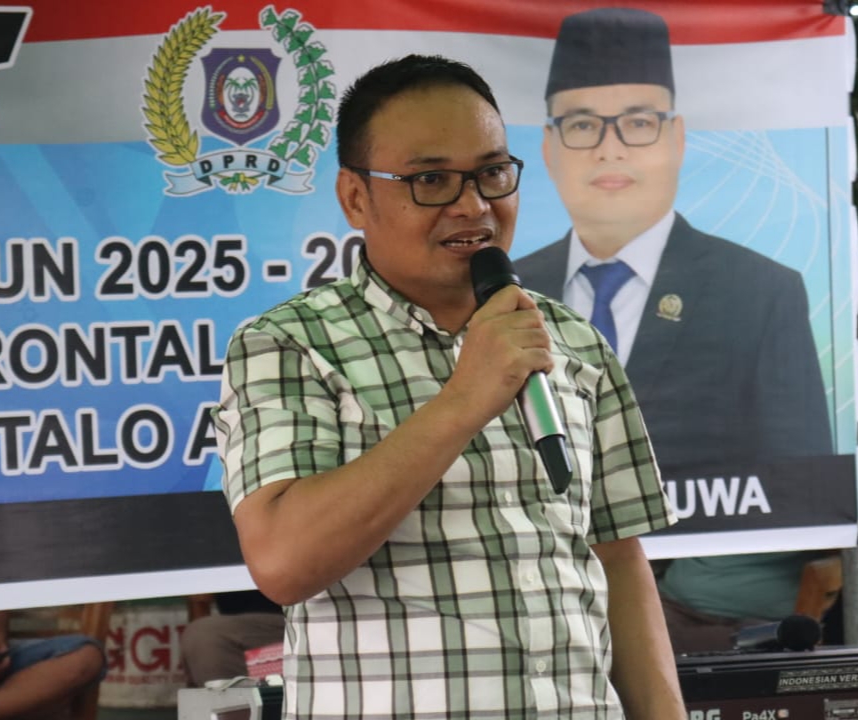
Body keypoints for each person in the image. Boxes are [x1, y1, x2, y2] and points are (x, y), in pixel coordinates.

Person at [213, 54, 686, 718]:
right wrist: (465, 398)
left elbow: (617, 561)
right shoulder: (289, 344)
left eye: (491, 173)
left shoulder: (572, 340)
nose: (473, 205)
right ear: (355, 198)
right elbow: (284, 563)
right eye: (430, 180)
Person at [512, 7, 835, 653]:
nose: (609, 147)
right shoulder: (507, 295)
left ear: (676, 138)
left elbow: (806, 500)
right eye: (582, 125)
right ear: (547, 148)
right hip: (537, 612)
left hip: (705, 621)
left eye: (637, 122)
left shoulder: (759, 290)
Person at [180, 590, 284, 685]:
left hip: (288, 619)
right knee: (203, 635)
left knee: (205, 633)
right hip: (235, 632)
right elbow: (200, 600)